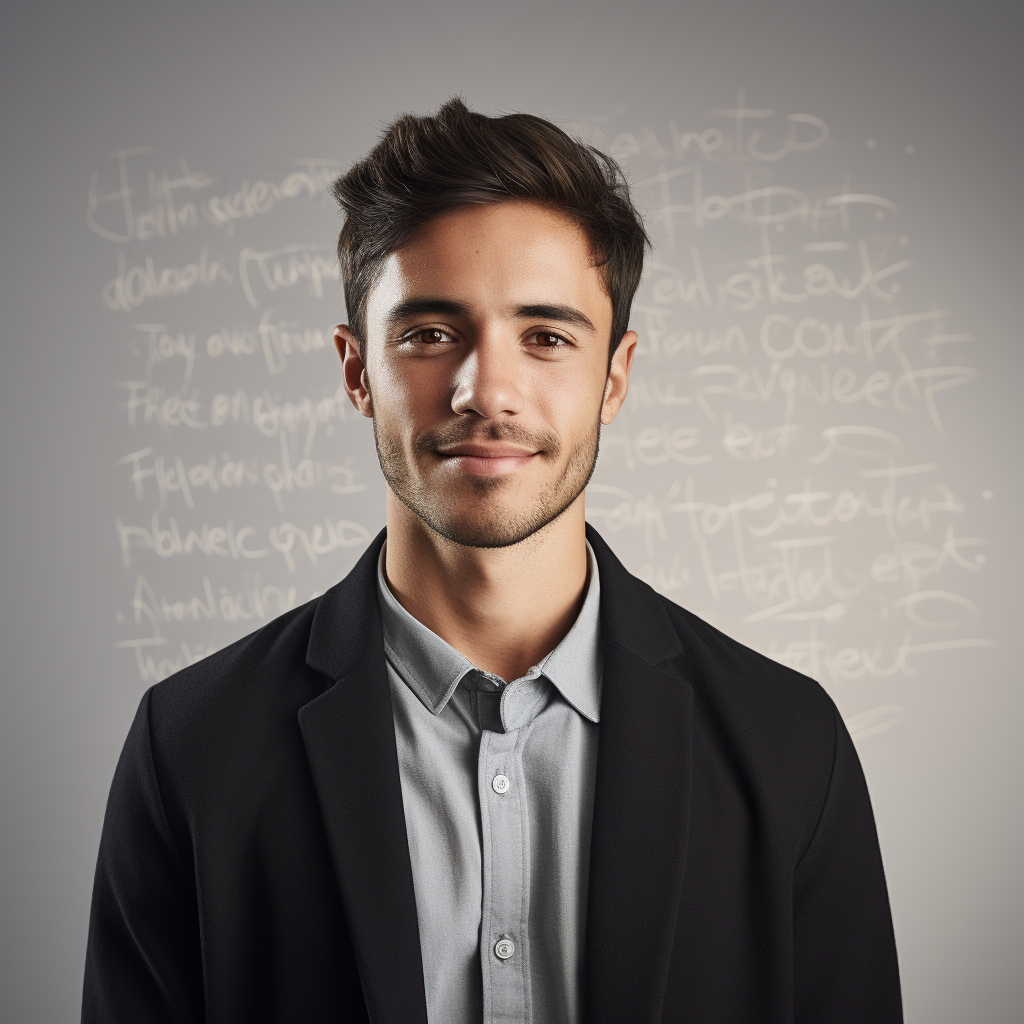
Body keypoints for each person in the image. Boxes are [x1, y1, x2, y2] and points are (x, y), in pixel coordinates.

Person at [82, 98, 902, 1024]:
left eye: (547, 337)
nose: (487, 391)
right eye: (430, 334)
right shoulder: (190, 749)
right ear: (356, 371)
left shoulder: (791, 745)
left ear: (615, 378)